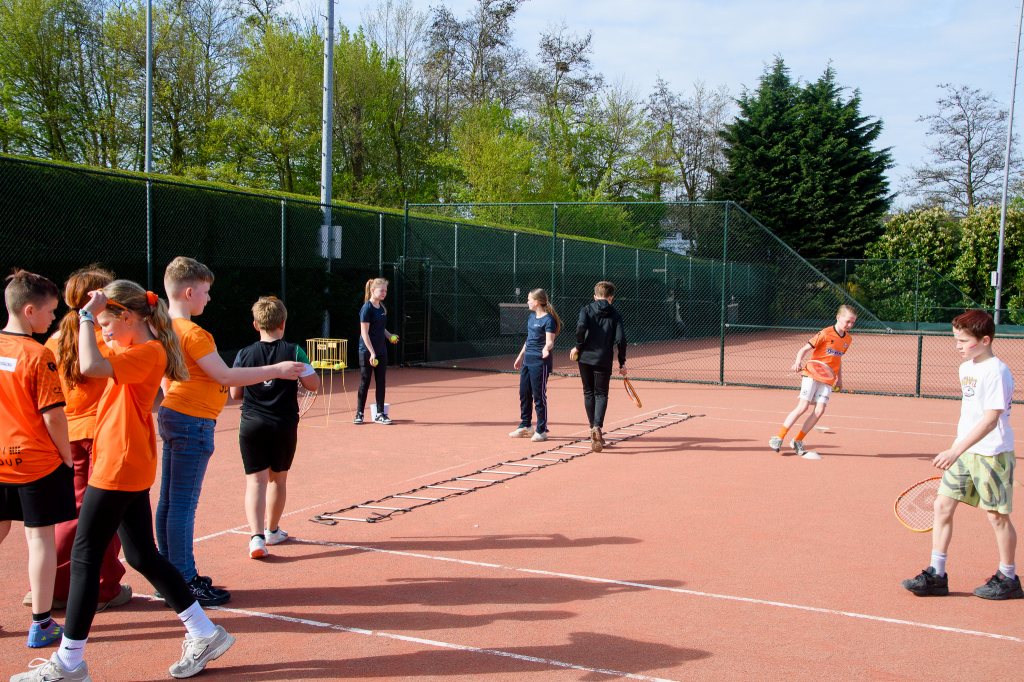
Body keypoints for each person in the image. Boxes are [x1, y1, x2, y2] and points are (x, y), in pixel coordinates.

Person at [11, 279, 236, 681]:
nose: (104, 332)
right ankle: (204, 632)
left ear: (129, 318)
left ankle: (69, 662)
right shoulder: (135, 348)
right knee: (141, 555)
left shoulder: (147, 352)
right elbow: (95, 362)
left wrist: (85, 316)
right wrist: (90, 319)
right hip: (124, 461)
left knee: (85, 557)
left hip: (119, 464)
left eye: (107, 324)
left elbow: (90, 365)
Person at [156, 257, 304, 606]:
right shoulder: (192, 333)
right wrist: (278, 369)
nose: (208, 298)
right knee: (182, 504)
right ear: (189, 292)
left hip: (176, 413)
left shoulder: (161, 327)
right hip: (192, 419)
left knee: (169, 501)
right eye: (205, 292)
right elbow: (225, 376)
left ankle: (169, 575)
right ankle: (184, 579)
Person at [21, 266, 133, 615]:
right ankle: (88, 587)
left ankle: (59, 584)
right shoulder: (106, 337)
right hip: (100, 434)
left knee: (76, 512)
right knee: (101, 514)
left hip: (66, 434)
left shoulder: (54, 340)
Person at [901, 309, 1022, 600]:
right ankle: (936, 574)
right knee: (942, 506)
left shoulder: (997, 371)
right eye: (956, 339)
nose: (958, 346)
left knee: (997, 517)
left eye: (964, 341)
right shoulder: (966, 368)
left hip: (992, 454)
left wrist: (955, 449)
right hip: (965, 451)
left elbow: (990, 420)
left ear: (985, 340)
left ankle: (1008, 577)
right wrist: (959, 448)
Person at [0, 269, 76, 649]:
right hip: (35, 463)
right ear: (29, 311)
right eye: (50, 311)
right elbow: (53, 416)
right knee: (39, 539)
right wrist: (67, 456)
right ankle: (42, 623)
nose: (53, 317)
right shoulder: (38, 354)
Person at [229, 296, 321, 559]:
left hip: (252, 424)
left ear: (255, 324)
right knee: (277, 479)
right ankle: (272, 530)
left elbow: (235, 393)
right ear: (283, 323)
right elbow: (313, 385)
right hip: (283, 423)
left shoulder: (244, 354)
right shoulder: (294, 351)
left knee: (255, 481)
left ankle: (256, 537)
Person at [768, 304, 857, 456]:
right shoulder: (825, 333)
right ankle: (778, 437)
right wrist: (797, 362)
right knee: (803, 407)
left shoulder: (848, 339)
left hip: (828, 378)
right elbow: (803, 349)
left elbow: (838, 359)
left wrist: (840, 379)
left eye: (853, 322)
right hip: (812, 373)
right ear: (838, 317)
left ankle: (797, 440)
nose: (850, 325)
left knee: (820, 410)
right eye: (847, 321)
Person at [569, 281, 627, 452]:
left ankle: (592, 428)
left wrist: (578, 346)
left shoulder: (586, 309)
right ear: (611, 298)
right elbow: (621, 340)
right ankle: (597, 427)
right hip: (603, 359)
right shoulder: (615, 314)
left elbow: (580, 328)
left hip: (585, 358)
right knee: (601, 394)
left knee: (588, 392)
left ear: (595, 296)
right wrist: (622, 362)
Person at [509, 288, 561, 443]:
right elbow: (529, 339)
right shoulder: (531, 317)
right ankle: (526, 425)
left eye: (529, 299)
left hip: (540, 362)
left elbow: (550, 341)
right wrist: (520, 356)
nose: (527, 302)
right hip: (528, 360)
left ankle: (541, 430)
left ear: (537, 302)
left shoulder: (548, 320)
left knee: (539, 396)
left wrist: (545, 349)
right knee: (524, 393)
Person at [354, 277, 399, 425]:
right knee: (365, 381)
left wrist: (389, 336)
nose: (384, 293)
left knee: (381, 382)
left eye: (386, 290)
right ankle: (359, 414)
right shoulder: (366, 308)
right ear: (373, 290)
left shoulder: (381, 308)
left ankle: (380, 414)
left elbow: (380, 328)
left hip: (381, 351)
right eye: (381, 290)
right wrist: (372, 352)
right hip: (367, 351)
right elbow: (364, 333)